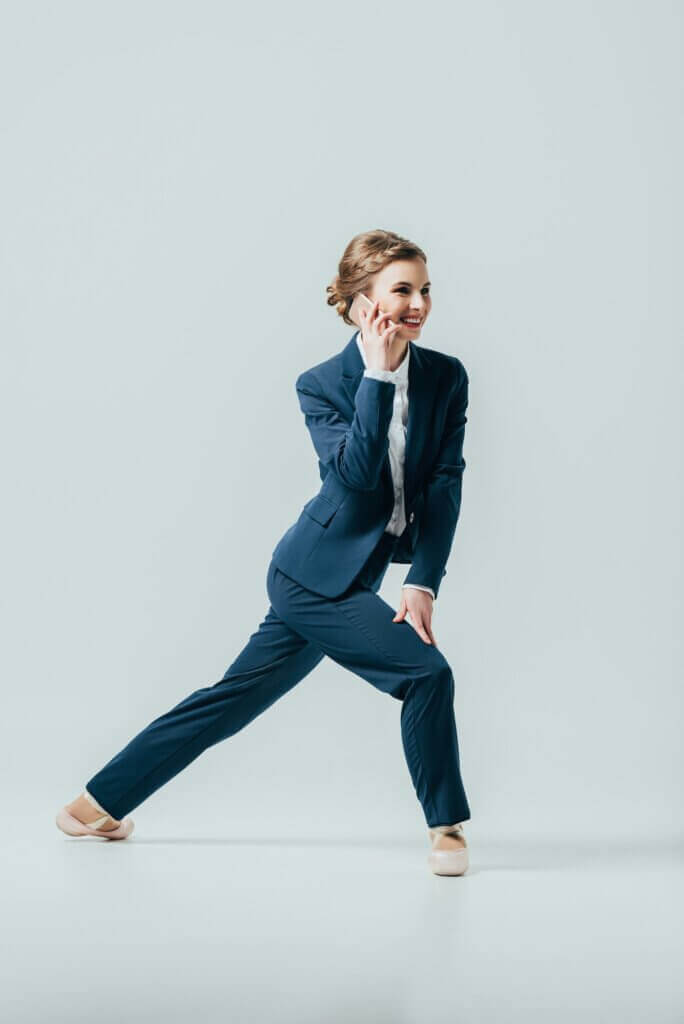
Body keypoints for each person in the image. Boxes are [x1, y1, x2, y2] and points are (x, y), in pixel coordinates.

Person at [56, 228, 472, 876]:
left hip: (352, 576)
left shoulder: (447, 377)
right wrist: (379, 375)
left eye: (425, 289)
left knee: (230, 701)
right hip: (310, 576)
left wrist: (424, 580)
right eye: (402, 290)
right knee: (426, 673)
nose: (418, 303)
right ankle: (447, 830)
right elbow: (357, 477)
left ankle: (93, 804)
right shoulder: (323, 384)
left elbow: (445, 484)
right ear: (365, 304)